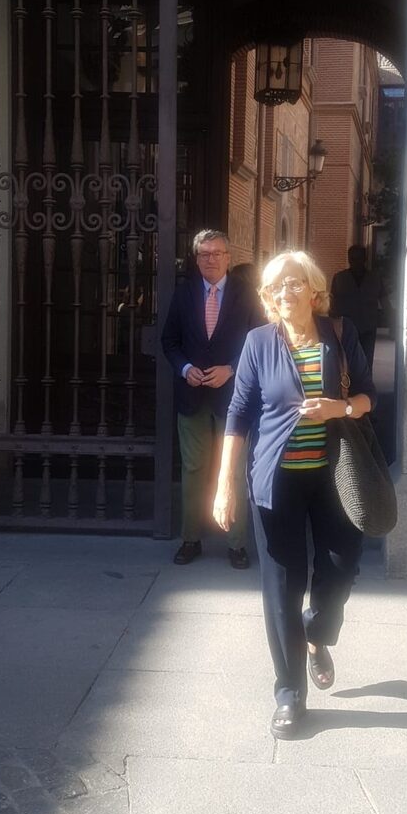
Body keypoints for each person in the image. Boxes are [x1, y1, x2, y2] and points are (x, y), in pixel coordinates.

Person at [212, 250, 377, 738]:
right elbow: (239, 414)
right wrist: (224, 485)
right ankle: (289, 694)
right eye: (275, 286)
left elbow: (368, 395)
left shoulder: (339, 334)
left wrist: (340, 408)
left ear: (313, 289)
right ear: (268, 296)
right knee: (281, 588)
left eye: (294, 283)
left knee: (341, 569)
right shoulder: (258, 343)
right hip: (276, 481)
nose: (285, 292)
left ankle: (317, 633)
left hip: (334, 478)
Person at [161, 230, 264, 568]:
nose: (211, 259)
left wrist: (231, 369)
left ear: (228, 257)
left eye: (217, 253)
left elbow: (259, 343)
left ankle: (237, 544)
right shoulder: (184, 293)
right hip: (191, 395)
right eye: (204, 254)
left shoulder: (246, 294)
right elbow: (169, 341)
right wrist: (185, 368)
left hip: (234, 397)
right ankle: (190, 539)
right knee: (193, 468)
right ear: (196, 259)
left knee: (233, 468)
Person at [330, 244, 388, 368]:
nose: (355, 262)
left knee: (366, 362)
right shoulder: (339, 278)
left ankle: (366, 381)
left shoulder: (375, 278)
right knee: (346, 362)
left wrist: (392, 320)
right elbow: (332, 303)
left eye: (359, 258)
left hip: (368, 328)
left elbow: (384, 300)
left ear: (365, 259)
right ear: (349, 259)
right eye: (352, 258)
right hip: (346, 328)